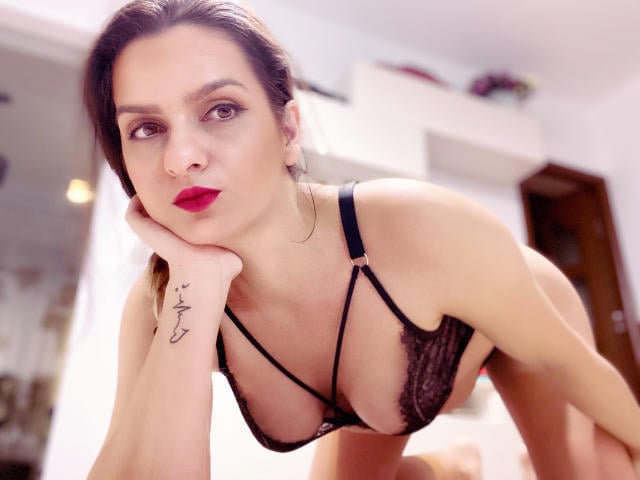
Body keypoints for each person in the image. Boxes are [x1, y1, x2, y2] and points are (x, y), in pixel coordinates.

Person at [83, 0, 640, 479]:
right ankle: (450, 467)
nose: (181, 158)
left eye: (221, 110)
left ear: (289, 130)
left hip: (513, 333)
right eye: (146, 128)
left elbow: (572, 364)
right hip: (375, 403)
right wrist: (198, 283)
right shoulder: (161, 304)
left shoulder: (416, 222)